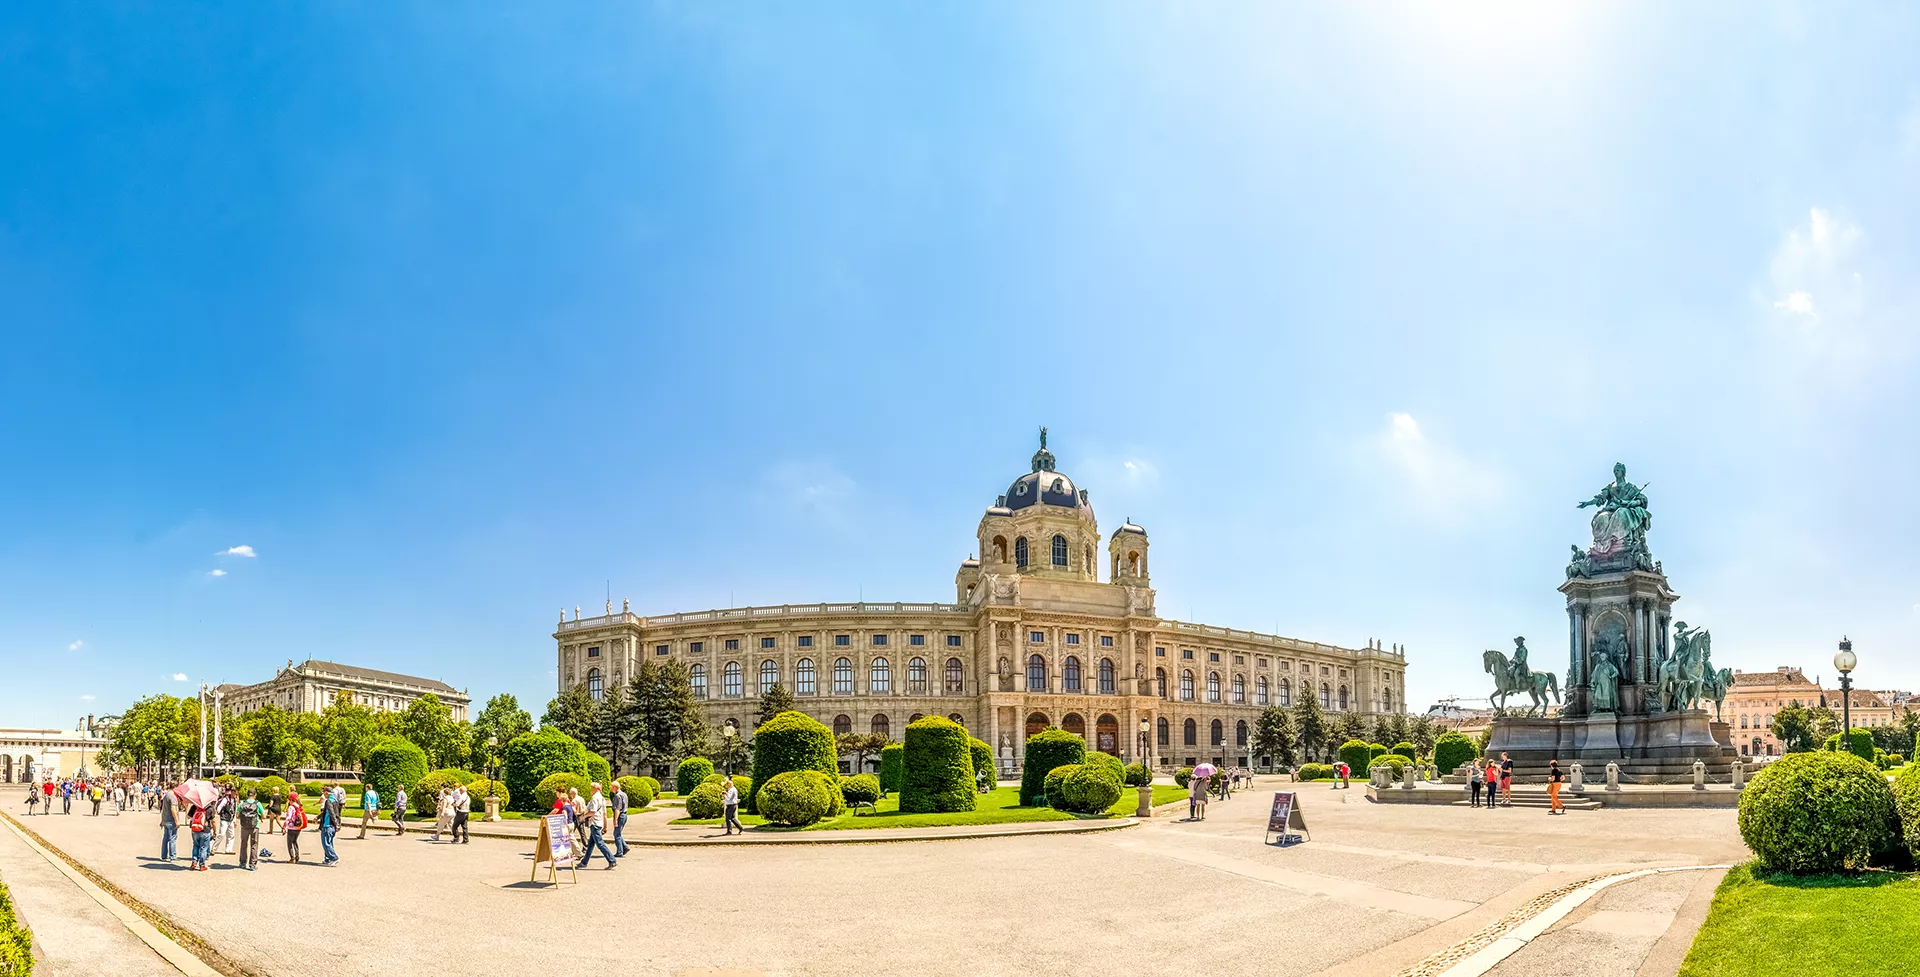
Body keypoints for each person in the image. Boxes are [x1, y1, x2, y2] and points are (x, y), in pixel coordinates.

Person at [579, 783, 617, 869]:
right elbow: (604, 814)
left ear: (595, 788)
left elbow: (593, 811)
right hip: (599, 822)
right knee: (590, 844)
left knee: (600, 843)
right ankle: (584, 862)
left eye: (592, 788)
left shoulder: (595, 798)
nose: (591, 790)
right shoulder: (602, 798)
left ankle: (612, 860)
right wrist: (605, 825)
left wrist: (584, 816)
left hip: (595, 823)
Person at [236, 788, 261, 870]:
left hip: (244, 827)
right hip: (255, 826)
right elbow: (264, 815)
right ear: (255, 795)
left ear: (247, 795)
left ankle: (243, 863)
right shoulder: (257, 803)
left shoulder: (242, 803)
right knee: (254, 845)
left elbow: (237, 815)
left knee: (244, 844)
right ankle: (252, 864)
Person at [319, 785, 343, 865]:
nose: (323, 795)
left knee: (326, 843)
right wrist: (318, 817)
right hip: (333, 825)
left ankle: (334, 858)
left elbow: (331, 813)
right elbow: (328, 812)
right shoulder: (335, 800)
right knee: (329, 842)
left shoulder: (329, 801)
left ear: (326, 793)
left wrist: (336, 824)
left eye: (324, 793)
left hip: (328, 824)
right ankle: (327, 859)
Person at [188, 802, 213, 871]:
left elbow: (189, 817)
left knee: (196, 846)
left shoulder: (194, 806)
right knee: (203, 848)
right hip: (205, 830)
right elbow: (213, 821)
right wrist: (215, 831)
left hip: (195, 830)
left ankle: (194, 862)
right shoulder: (209, 808)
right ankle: (202, 865)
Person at [284, 790, 307, 864]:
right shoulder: (299, 806)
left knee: (289, 843)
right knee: (295, 841)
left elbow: (288, 818)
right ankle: (297, 856)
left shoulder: (291, 807)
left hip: (292, 827)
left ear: (290, 799)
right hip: (298, 827)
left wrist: (284, 826)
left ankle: (292, 858)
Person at [158, 784, 178, 860]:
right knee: (172, 838)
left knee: (165, 838)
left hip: (166, 820)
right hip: (171, 820)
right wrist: (177, 820)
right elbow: (173, 809)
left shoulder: (166, 795)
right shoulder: (172, 796)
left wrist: (162, 820)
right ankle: (173, 856)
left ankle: (164, 856)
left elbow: (164, 808)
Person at [216, 787, 238, 854]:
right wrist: (218, 810)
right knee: (221, 834)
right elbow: (220, 805)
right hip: (224, 818)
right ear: (231, 792)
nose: (234, 794)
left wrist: (234, 820)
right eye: (233, 792)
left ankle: (228, 849)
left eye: (235, 793)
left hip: (231, 819)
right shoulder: (226, 799)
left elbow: (235, 811)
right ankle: (214, 849)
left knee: (231, 835)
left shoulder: (235, 800)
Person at [612, 781, 631, 854]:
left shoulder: (618, 796)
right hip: (624, 815)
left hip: (620, 815)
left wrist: (615, 820)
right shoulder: (624, 794)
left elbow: (618, 809)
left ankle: (620, 852)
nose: (611, 788)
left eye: (612, 787)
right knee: (618, 833)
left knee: (616, 834)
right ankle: (625, 847)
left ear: (615, 787)